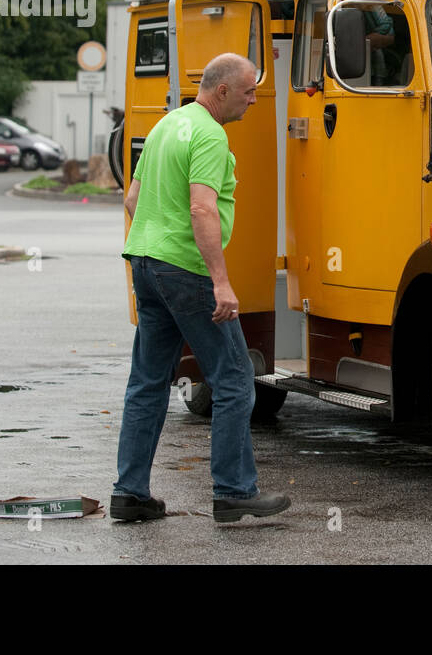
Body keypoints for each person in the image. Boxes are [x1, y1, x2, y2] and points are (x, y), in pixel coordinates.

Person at [112, 52, 290, 524]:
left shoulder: (167, 125)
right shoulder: (211, 136)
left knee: (147, 383)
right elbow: (202, 210)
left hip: (146, 264)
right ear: (223, 91)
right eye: (250, 91)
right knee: (233, 379)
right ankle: (233, 492)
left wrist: (156, 241)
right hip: (186, 272)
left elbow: (132, 197)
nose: (255, 99)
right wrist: (221, 282)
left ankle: (130, 493)